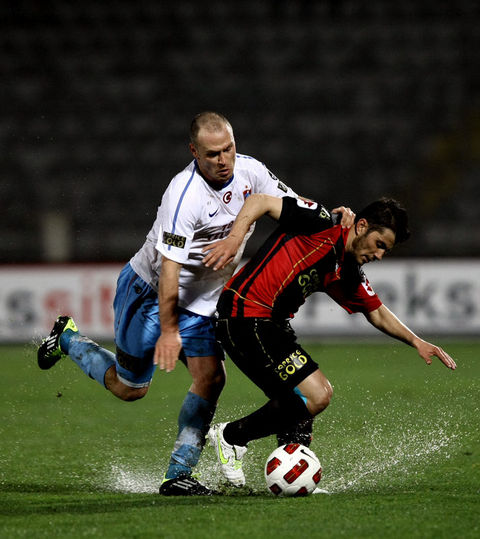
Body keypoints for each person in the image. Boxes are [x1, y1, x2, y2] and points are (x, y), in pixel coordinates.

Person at [37, 111, 353, 496]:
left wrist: (334, 216)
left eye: (229, 149)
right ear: (194, 152)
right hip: (150, 294)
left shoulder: (252, 172)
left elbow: (291, 204)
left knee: (212, 377)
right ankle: (68, 338)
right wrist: (169, 330)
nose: (224, 160)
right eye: (213, 153)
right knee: (130, 388)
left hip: (204, 302)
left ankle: (178, 473)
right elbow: (170, 270)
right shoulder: (182, 196)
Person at [203, 193, 457, 488]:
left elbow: (375, 312)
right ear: (361, 226)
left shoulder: (347, 269)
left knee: (316, 394)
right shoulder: (320, 221)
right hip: (243, 314)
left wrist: (417, 342)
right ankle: (231, 437)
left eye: (386, 250)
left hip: (272, 325)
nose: (380, 255)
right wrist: (235, 240)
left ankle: (293, 476)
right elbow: (260, 200)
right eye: (380, 245)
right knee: (309, 397)